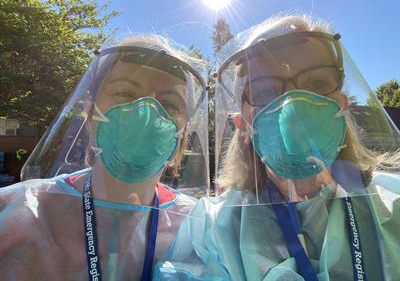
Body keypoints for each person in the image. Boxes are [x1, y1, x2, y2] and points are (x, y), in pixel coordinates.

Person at [154, 14, 400, 280]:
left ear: (342, 105)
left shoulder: (393, 204)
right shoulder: (214, 228)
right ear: (243, 125)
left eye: (317, 84)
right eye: (265, 92)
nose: (292, 105)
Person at [0, 34, 209, 280]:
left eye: (170, 104)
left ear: (182, 134)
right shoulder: (17, 209)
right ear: (90, 115)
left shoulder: (200, 227)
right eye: (125, 93)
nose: (145, 114)